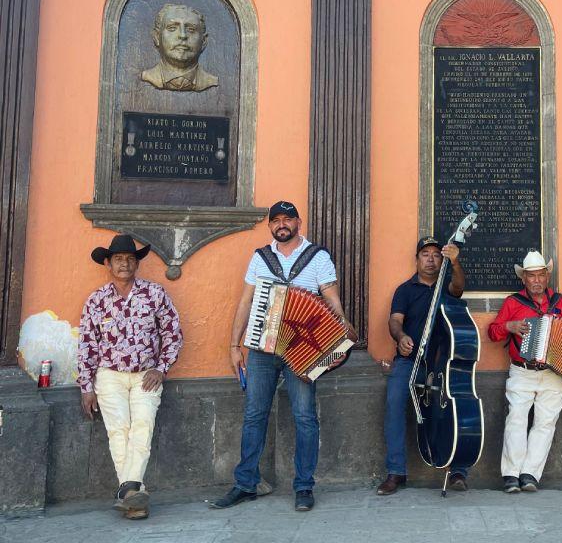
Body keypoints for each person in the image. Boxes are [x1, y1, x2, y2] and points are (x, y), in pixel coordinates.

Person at [212, 200, 355, 512]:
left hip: (300, 351)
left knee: (305, 417)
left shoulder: (318, 257)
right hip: (263, 348)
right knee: (254, 414)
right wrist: (235, 346)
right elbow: (246, 302)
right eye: (275, 220)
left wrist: (341, 330)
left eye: (287, 219)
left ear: (298, 222)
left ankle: (304, 486)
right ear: (270, 226)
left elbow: (331, 299)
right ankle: (246, 482)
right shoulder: (260, 258)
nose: (281, 225)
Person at [77, 234, 184, 520]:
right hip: (109, 376)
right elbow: (86, 344)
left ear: (136, 263)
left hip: (145, 376)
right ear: (108, 263)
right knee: (118, 431)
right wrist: (87, 387)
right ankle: (134, 497)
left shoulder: (155, 294)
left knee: (143, 427)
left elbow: (173, 333)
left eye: (129, 258)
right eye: (118, 259)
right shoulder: (97, 301)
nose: (124, 263)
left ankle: (129, 493)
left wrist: (161, 368)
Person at [487, 250, 562, 494]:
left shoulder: (560, 302)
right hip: (522, 371)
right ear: (523, 279)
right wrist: (509, 326)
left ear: (547, 277)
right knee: (516, 418)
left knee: (546, 423)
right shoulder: (513, 303)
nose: (536, 280)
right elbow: (493, 332)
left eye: (541, 276)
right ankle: (511, 475)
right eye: (531, 276)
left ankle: (530, 475)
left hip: (552, 373)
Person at [376, 236, 468, 495]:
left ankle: (458, 469)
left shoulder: (445, 287)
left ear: (442, 260)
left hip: (441, 361)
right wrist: (401, 337)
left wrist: (456, 262)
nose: (430, 259)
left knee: (455, 407)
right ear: (417, 259)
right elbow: (395, 321)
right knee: (394, 402)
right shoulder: (404, 290)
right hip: (409, 360)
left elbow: (459, 288)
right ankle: (396, 471)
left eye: (436, 255)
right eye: (425, 254)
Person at [140, 3, 219, 91]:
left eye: (191, 29)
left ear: (203, 41)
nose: (183, 35)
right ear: (157, 37)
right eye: (172, 28)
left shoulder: (210, 81)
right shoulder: (148, 76)